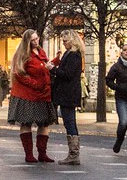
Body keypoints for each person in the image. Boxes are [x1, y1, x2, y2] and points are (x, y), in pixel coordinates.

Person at [6, 29, 53, 163]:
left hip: (43, 94)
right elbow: (18, 74)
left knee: (44, 123)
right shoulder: (22, 54)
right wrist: (35, 83)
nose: (36, 41)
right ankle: (29, 154)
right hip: (26, 94)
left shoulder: (41, 52)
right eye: (33, 40)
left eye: (37, 38)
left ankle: (42, 153)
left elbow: (43, 68)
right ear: (27, 41)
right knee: (26, 123)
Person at [50, 29, 84, 165]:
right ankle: (73, 154)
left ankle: (74, 154)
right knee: (69, 121)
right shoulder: (70, 54)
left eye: (65, 41)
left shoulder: (74, 55)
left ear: (72, 41)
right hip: (67, 92)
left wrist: (53, 69)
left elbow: (67, 74)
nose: (63, 43)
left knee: (69, 122)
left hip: (68, 93)